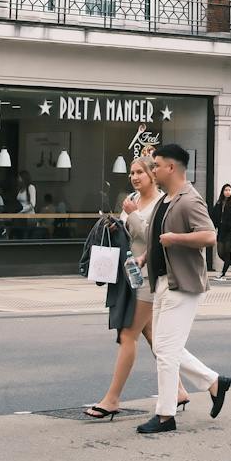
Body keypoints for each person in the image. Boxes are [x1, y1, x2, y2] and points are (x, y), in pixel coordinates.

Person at [84, 156, 191, 420]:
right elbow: (129, 234)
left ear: (153, 175)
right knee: (152, 336)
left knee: (126, 334)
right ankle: (179, 390)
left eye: (140, 172)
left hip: (146, 277)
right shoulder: (132, 199)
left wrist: (131, 216)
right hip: (129, 275)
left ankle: (112, 399)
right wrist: (116, 224)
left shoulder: (160, 203)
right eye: (132, 173)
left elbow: (154, 238)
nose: (134, 177)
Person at [138, 143, 231, 435]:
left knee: (165, 352)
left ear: (171, 168)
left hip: (184, 284)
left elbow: (210, 236)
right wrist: (145, 255)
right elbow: (157, 237)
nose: (153, 170)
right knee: (167, 348)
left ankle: (165, 416)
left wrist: (176, 238)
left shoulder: (190, 200)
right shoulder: (167, 199)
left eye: (156, 165)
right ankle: (214, 382)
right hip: (164, 282)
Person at [212, 184, 231, 279]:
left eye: (229, 190)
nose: (228, 192)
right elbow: (214, 216)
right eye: (226, 190)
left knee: (228, 252)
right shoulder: (219, 203)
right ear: (222, 191)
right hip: (221, 231)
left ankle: (222, 273)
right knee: (221, 253)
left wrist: (230, 224)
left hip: (230, 232)